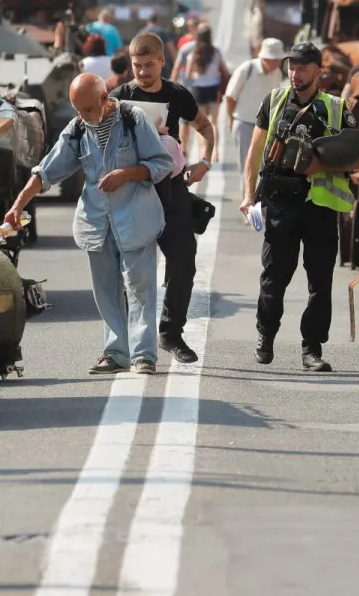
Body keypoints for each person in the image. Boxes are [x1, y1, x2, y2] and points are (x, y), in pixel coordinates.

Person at [6, 74, 173, 375]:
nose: (81, 115)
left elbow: (162, 163)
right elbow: (46, 172)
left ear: (104, 99)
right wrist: (18, 204)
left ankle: (144, 355)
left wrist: (126, 174)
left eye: (86, 108)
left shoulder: (134, 121)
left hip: (136, 219)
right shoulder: (77, 129)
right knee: (106, 290)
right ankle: (116, 353)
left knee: (139, 288)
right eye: (76, 109)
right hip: (97, 223)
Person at [239, 42, 359, 372]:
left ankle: (312, 349)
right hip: (280, 204)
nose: (295, 74)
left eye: (303, 68)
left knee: (320, 281)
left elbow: (357, 155)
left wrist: (321, 163)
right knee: (274, 277)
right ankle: (265, 336)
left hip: (319, 208)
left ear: (318, 71)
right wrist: (248, 195)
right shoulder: (275, 101)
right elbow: (255, 152)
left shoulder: (336, 108)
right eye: (291, 67)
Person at [111, 32, 217, 365]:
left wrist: (204, 163)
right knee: (130, 269)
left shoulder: (177, 95)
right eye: (137, 66)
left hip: (170, 189)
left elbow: (206, 127)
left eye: (149, 65)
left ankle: (171, 333)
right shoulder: (118, 97)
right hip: (132, 190)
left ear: (162, 62)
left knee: (184, 260)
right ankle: (130, 340)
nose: (142, 72)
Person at [225, 37, 286, 176]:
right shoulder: (247, 68)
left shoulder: (276, 73)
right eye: (274, 59)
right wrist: (230, 119)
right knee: (247, 166)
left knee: (265, 166)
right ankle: (247, 197)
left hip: (266, 126)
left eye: (278, 59)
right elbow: (230, 96)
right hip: (244, 123)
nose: (277, 62)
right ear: (265, 58)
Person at [173, 26, 231, 162]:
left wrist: (196, 75)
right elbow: (225, 71)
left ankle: (203, 155)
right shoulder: (216, 52)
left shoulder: (194, 53)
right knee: (214, 123)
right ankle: (216, 152)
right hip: (213, 89)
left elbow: (187, 75)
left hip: (198, 90)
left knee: (201, 126)